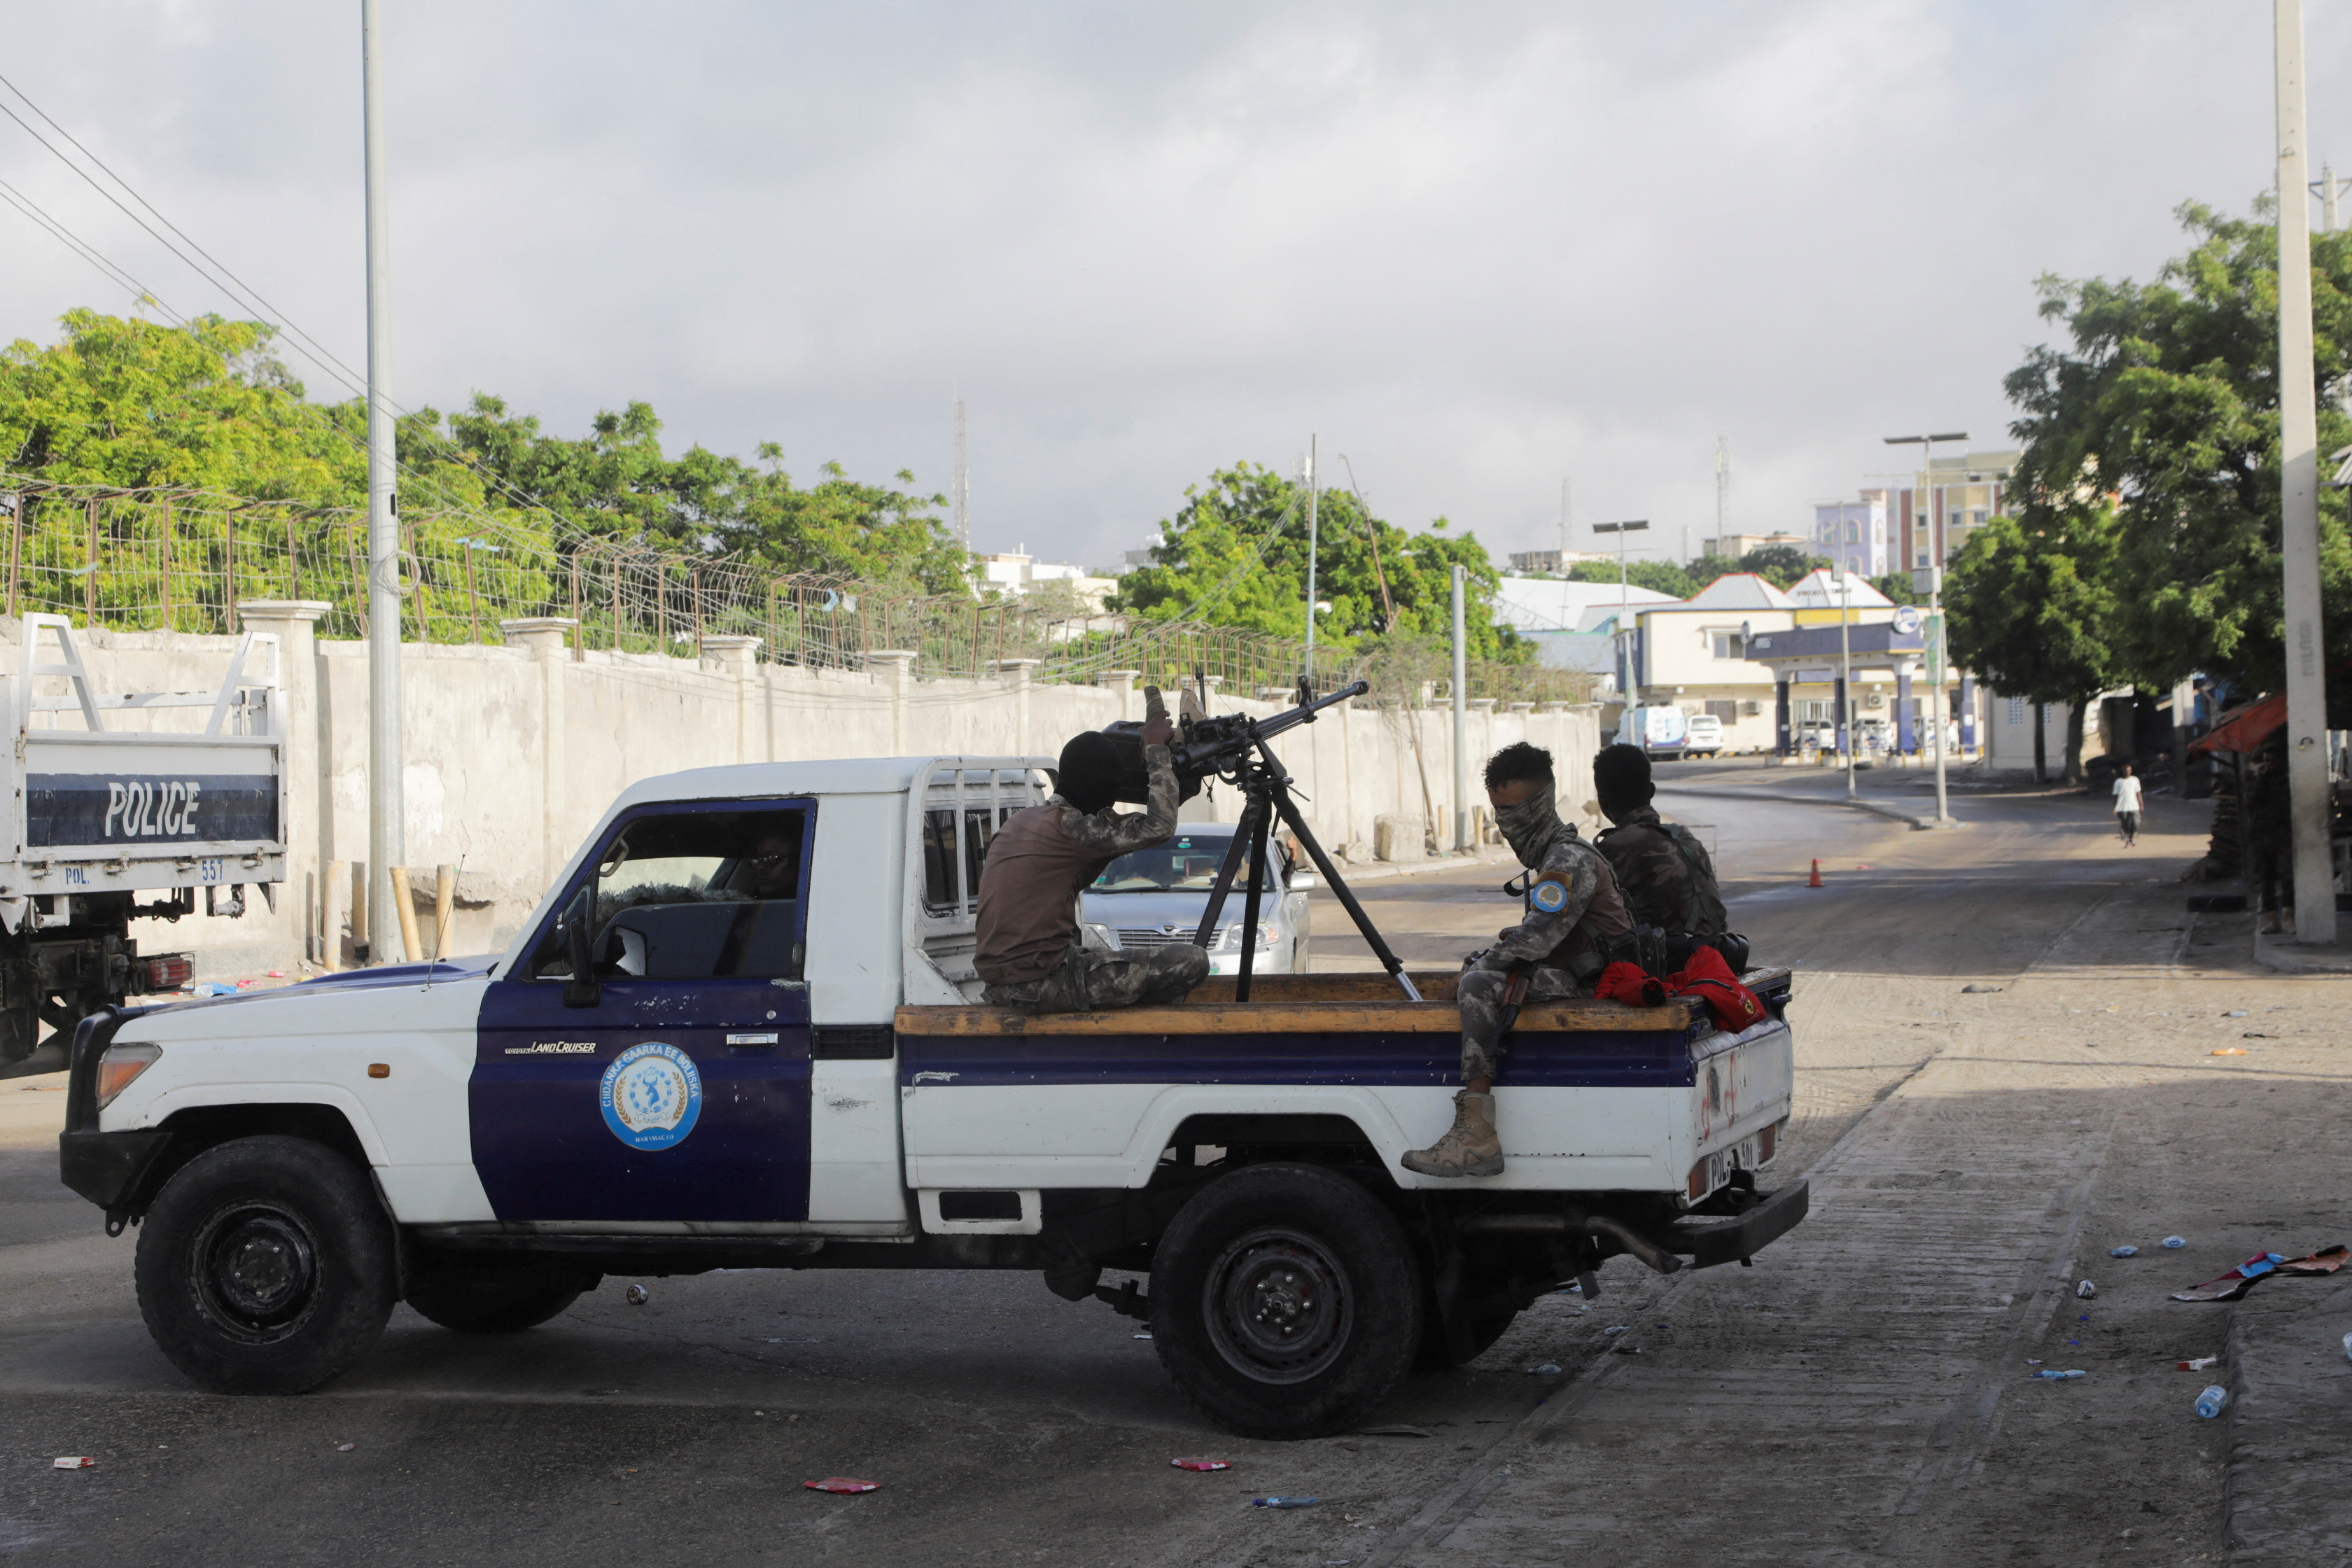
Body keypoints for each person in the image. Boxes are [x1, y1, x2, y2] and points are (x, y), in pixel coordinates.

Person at [1401, 742, 1634, 1180]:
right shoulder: (1554, 857)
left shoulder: (1568, 859)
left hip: (1599, 986)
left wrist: (1477, 969)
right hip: (1581, 974)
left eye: (1511, 811)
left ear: (1539, 805)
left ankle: (1476, 1133)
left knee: (1479, 985)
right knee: (1484, 964)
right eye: (1497, 811)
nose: (1505, 824)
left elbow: (1534, 940)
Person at [974, 695, 1210, 1013]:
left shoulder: (1026, 822)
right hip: (1039, 983)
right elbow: (1160, 827)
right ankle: (1137, 1033)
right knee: (1190, 961)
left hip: (1008, 980)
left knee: (1106, 954)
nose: (1112, 800)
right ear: (1099, 785)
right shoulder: (1073, 830)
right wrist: (1156, 750)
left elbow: (1116, 829)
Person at [1590, 743, 1728, 934]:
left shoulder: (1614, 848)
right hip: (1717, 952)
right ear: (1652, 791)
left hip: (1669, 959)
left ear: (1602, 802)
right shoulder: (1685, 838)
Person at [2110, 762, 2143, 848]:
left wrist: (2141, 805)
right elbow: (2116, 796)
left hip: (2134, 806)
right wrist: (2114, 807)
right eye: (2126, 770)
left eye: (2129, 770)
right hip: (2122, 807)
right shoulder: (2118, 782)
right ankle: (2127, 841)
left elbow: (2138, 793)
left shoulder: (2135, 780)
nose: (2127, 772)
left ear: (2131, 771)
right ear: (2123, 771)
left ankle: (2132, 838)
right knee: (2125, 824)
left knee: (2135, 823)